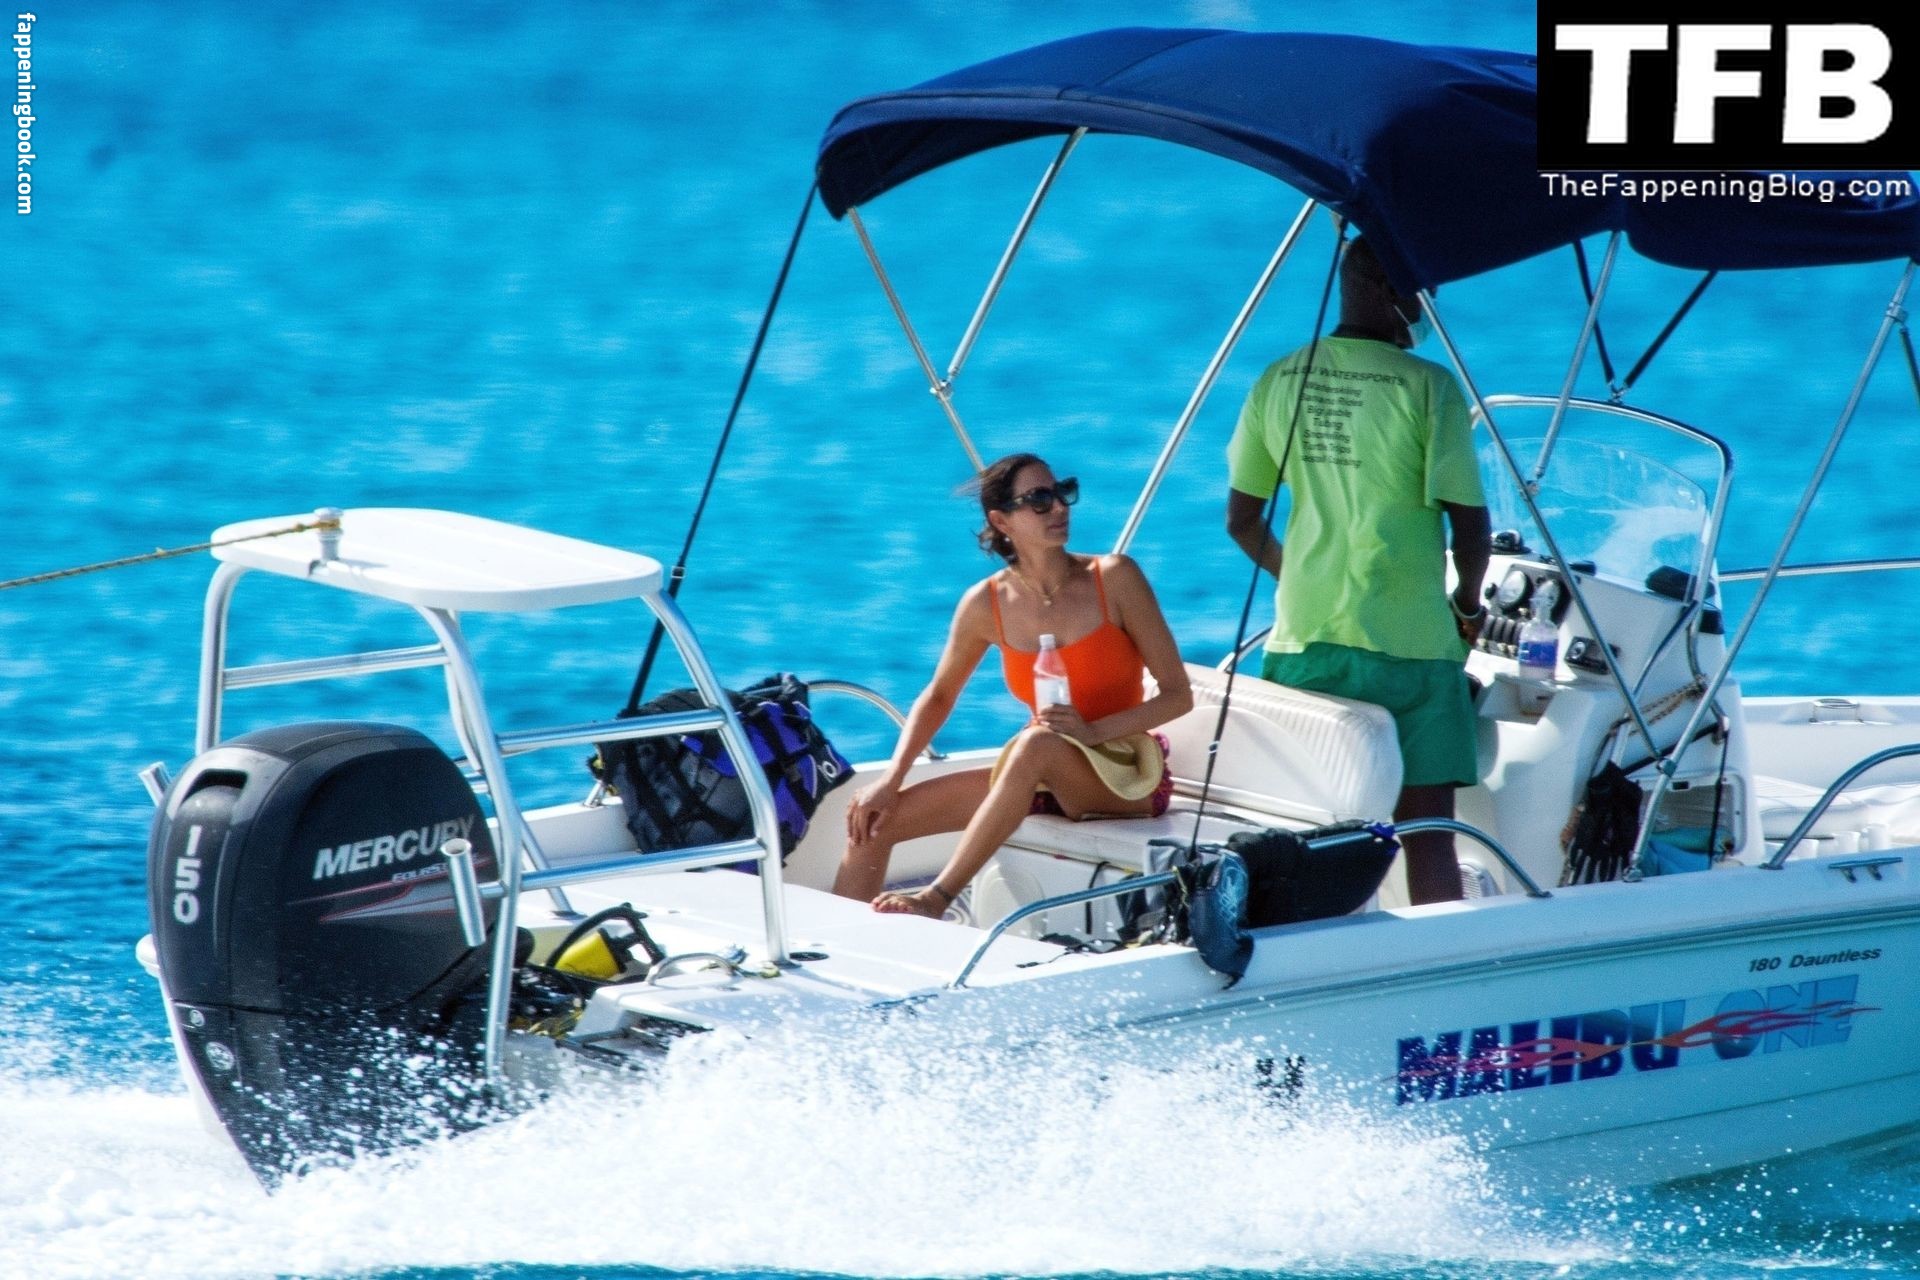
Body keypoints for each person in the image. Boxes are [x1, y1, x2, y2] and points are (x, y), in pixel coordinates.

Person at [1225, 236, 1491, 905]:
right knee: (1428, 835)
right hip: (1414, 648)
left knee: (1309, 837)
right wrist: (1467, 607)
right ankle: (1442, 959)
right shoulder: (1430, 387)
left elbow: (1242, 520)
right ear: (1383, 290)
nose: (1423, 309)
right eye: (1418, 293)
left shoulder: (1278, 378)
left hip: (1305, 644)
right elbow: (1469, 526)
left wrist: (1296, 577)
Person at [832, 453, 1193, 917]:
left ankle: (935, 899)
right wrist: (890, 780)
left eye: (1061, 492)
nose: (1058, 507)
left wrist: (1091, 733)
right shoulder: (986, 603)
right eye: (1038, 500)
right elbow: (939, 696)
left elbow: (1177, 694)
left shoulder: (1116, 578)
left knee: (1035, 743)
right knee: (875, 821)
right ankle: (831, 943)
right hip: (1039, 772)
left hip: (1126, 774)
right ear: (1001, 521)